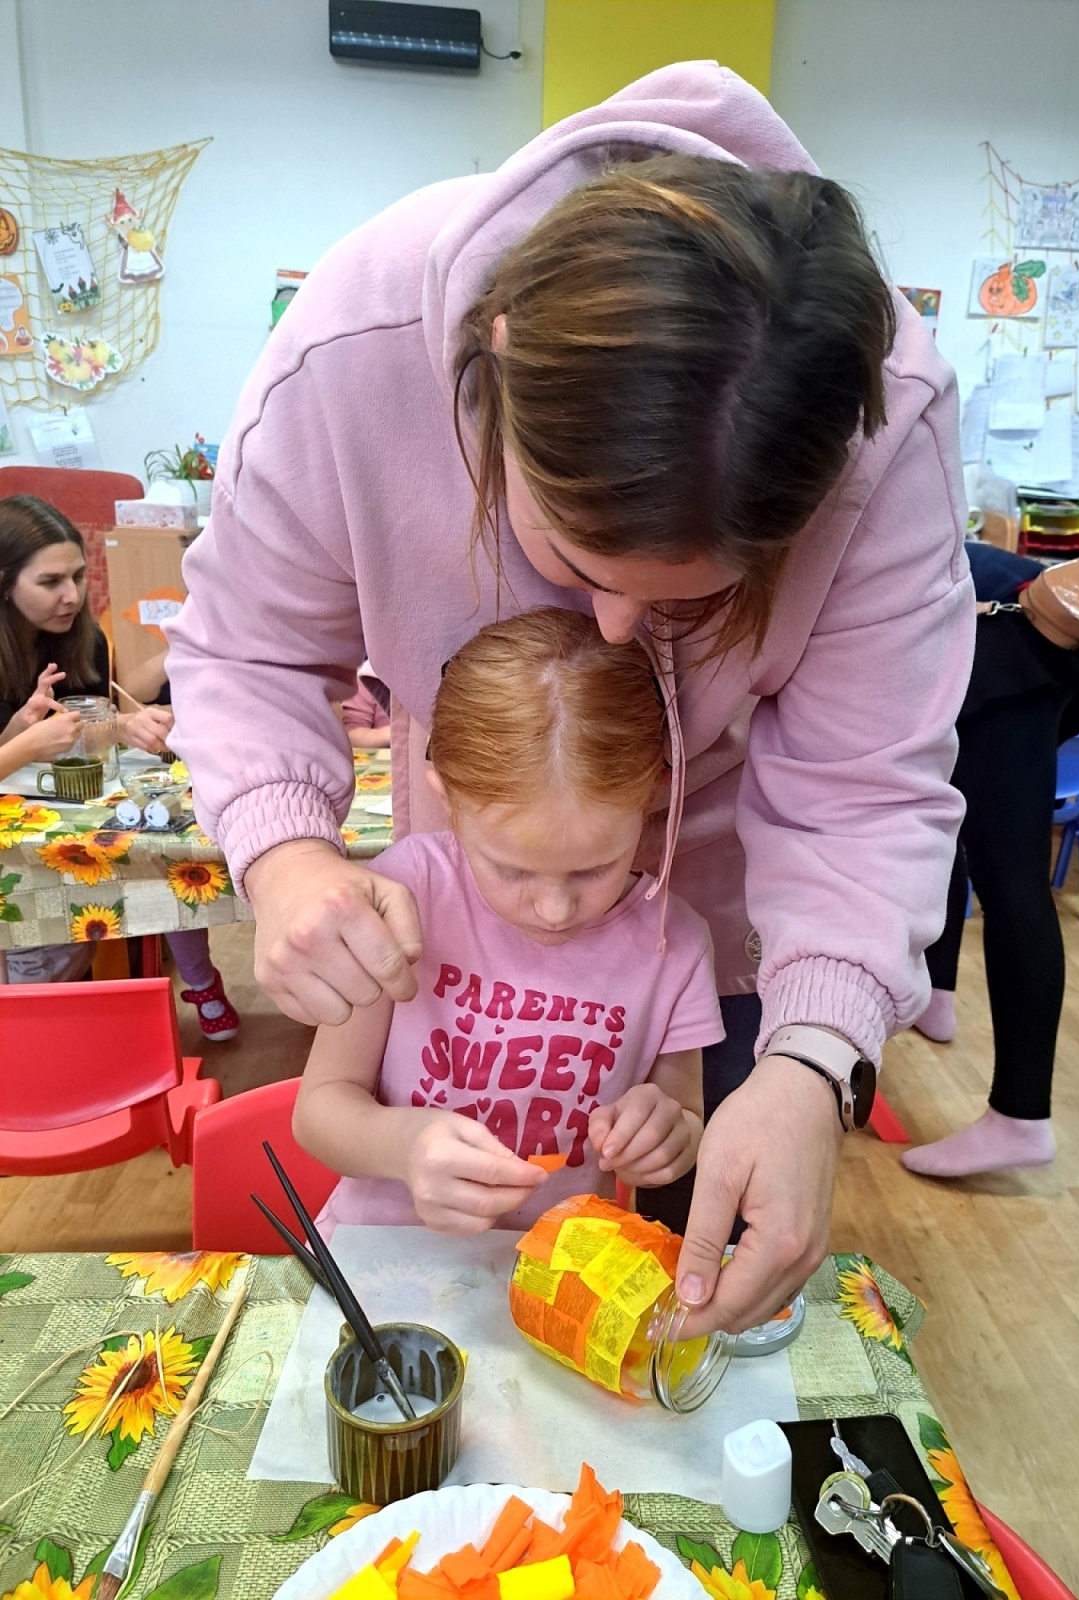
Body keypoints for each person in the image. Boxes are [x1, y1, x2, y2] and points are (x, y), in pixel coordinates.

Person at [167, 64, 975, 1334]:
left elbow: (866, 788)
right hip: (465, 874)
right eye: (580, 562)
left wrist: (814, 1062)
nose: (614, 630)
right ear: (495, 370)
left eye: (699, 596)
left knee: (682, 1275)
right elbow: (248, 651)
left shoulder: (888, 426)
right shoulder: (354, 349)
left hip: (716, 929)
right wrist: (287, 858)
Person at [295, 609, 723, 1238]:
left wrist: (666, 1135)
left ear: (651, 796)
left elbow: (685, 1115)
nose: (554, 909)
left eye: (593, 869)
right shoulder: (403, 893)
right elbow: (319, 1109)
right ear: (446, 797)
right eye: (512, 870)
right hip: (385, 1254)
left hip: (560, 1269)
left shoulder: (674, 943)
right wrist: (406, 1146)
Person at [903, 541, 1079, 1178]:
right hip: (1009, 636)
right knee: (950, 822)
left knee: (1012, 882)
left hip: (1015, 648)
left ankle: (1020, 1120)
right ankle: (936, 996)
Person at [0, 494, 238, 1033]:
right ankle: (44, 1031)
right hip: (17, 846)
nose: (72, 595)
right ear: (4, 583)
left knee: (162, 853)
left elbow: (84, 728)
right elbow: (31, 745)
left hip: (66, 811)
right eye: (50, 581)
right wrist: (25, 742)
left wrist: (124, 726)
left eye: (78, 576)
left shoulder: (83, 640)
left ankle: (189, 984)